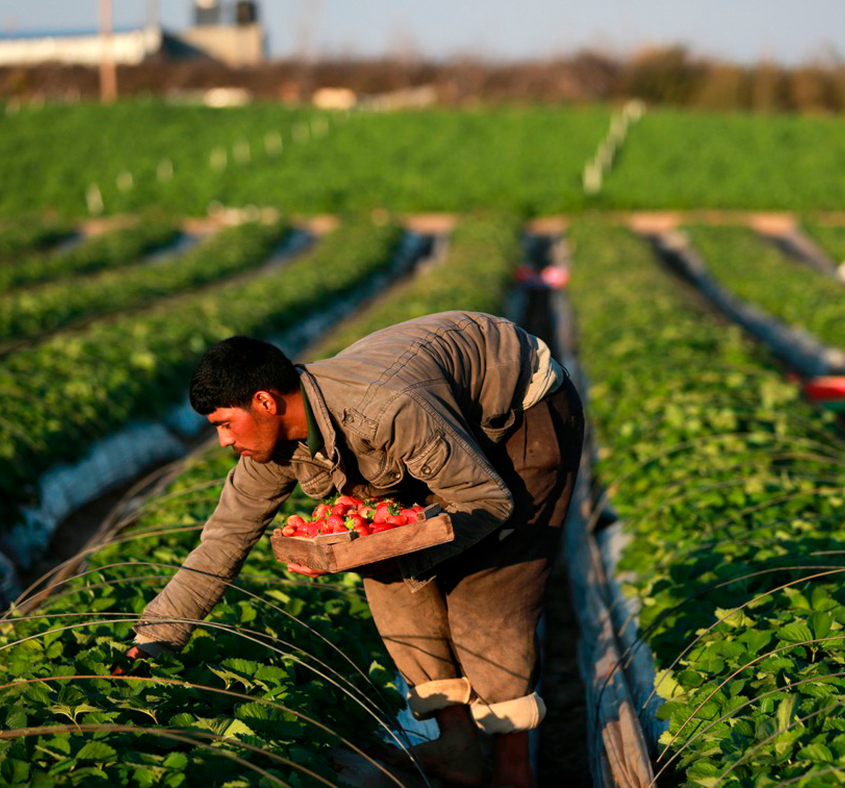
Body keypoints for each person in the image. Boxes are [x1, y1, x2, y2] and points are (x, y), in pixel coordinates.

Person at [125, 310, 584, 788]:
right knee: (386, 574)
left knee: (488, 587)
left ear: (264, 401)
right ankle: (458, 746)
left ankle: (513, 765)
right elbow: (224, 539)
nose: (222, 441)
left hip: (522, 412)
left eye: (224, 424)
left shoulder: (384, 411)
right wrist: (154, 639)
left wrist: (414, 553)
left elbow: (487, 500)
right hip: (434, 425)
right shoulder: (269, 449)